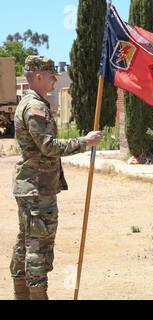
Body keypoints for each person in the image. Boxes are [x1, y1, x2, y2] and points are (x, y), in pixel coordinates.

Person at [11, 55, 103, 300]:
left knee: (26, 243)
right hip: (37, 189)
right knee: (38, 248)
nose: (55, 77)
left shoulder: (30, 103)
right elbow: (48, 147)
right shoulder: (36, 106)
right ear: (38, 76)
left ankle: (21, 295)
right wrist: (85, 142)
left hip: (32, 187)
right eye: (51, 73)